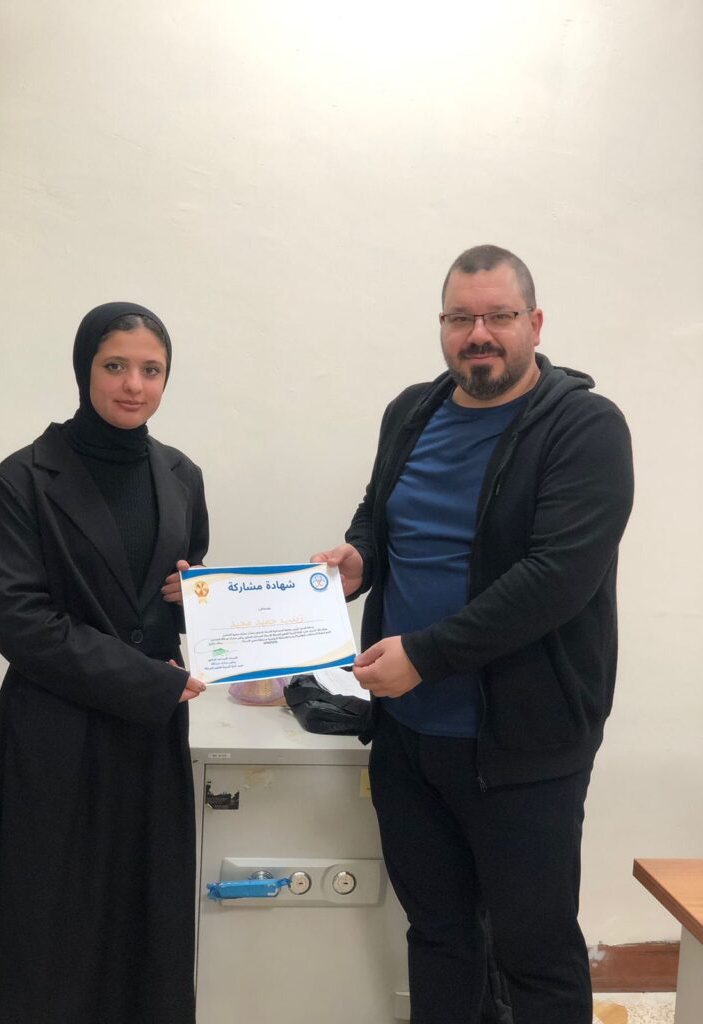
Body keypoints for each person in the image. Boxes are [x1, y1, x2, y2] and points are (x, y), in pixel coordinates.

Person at [312, 245, 634, 1024]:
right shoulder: (410, 412)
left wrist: (425, 656)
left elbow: (555, 578)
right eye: (461, 318)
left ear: (535, 324)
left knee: (535, 953)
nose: (478, 333)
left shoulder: (585, 427)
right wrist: (360, 558)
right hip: (407, 737)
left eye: (498, 316)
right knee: (439, 937)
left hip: (524, 745)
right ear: (443, 326)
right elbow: (379, 512)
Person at [0, 302, 208, 1024]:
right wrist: (148, 680)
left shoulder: (182, 475)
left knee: (143, 913)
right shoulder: (21, 478)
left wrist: (200, 601)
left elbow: (179, 592)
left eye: (151, 369)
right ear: (84, 368)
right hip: (55, 730)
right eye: (115, 366)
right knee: (47, 918)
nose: (133, 385)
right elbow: (18, 620)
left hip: (147, 736)